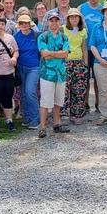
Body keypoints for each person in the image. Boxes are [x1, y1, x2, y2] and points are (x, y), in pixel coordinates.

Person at [37, 10, 71, 138]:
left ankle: (57, 124)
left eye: (56, 20)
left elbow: (66, 53)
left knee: (58, 101)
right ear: (48, 22)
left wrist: (52, 54)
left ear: (59, 22)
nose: (54, 23)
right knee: (45, 101)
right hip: (47, 74)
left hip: (60, 73)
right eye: (51, 20)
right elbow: (44, 54)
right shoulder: (43, 36)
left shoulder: (64, 37)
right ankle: (42, 127)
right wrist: (58, 53)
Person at [62, 8, 89, 124]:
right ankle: (63, 114)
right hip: (66, 62)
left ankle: (77, 115)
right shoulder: (62, 29)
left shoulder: (82, 31)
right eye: (71, 17)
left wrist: (85, 63)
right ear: (68, 18)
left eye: (76, 17)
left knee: (78, 90)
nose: (74, 19)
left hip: (79, 62)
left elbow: (84, 48)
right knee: (64, 89)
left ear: (79, 18)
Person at [14, 14, 40, 130]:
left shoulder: (36, 35)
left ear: (30, 24)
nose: (24, 25)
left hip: (34, 67)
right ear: (19, 25)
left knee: (30, 92)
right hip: (20, 68)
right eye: (22, 23)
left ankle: (36, 118)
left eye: (26, 23)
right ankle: (27, 117)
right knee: (23, 93)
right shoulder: (15, 37)